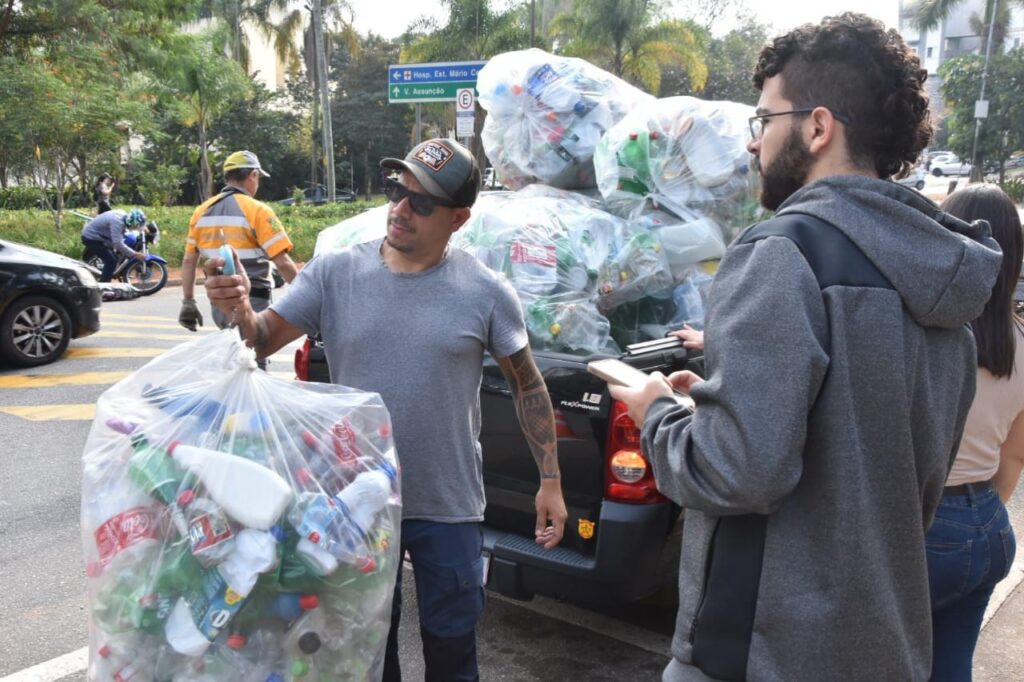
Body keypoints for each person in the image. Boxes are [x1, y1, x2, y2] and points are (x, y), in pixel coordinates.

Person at [609, 13, 1003, 681]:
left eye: (764, 121)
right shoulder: (943, 276)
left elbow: (737, 473)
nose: (753, 146)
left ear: (818, 127)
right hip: (882, 648)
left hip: (761, 654)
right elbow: (904, 483)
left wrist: (657, 413)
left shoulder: (781, 254)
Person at [203, 138, 568, 681]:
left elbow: (529, 386)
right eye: (397, 190)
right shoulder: (334, 274)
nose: (400, 209)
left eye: (422, 203)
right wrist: (234, 308)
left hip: (448, 503)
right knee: (369, 652)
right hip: (355, 508)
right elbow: (259, 341)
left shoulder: (486, 292)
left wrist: (551, 481)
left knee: (452, 650)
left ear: (459, 219)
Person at [926, 184, 1023, 682]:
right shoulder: (1019, 341)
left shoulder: (931, 331)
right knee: (950, 667)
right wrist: (976, 518)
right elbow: (1013, 460)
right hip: (989, 526)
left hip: (926, 526)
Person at [178, 151, 299, 367]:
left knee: (236, 359)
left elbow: (189, 261)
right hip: (253, 301)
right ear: (252, 175)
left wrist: (188, 302)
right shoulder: (258, 210)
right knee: (254, 362)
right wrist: (308, 293)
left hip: (219, 304)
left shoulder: (200, 212)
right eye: (258, 178)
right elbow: (283, 262)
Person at [80, 208, 147, 282]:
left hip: (100, 235)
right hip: (91, 238)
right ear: (131, 222)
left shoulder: (123, 214)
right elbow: (118, 243)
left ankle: (110, 273)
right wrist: (135, 254)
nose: (135, 228)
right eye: (135, 226)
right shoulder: (118, 223)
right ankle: (104, 286)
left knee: (115, 257)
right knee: (111, 260)